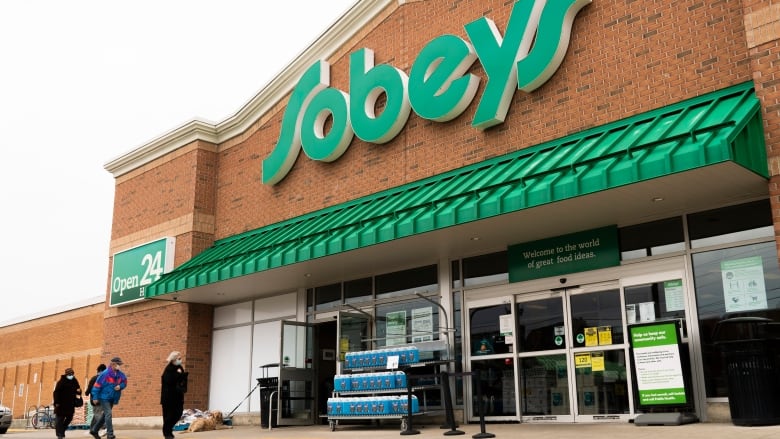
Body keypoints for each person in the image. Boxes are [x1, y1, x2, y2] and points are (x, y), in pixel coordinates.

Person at [89, 357, 127, 439]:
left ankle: (94, 430)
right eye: (118, 364)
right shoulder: (105, 374)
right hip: (104, 397)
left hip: (112, 398)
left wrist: (120, 386)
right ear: (113, 364)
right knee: (108, 413)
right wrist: (95, 397)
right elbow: (96, 386)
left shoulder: (120, 374)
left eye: (120, 364)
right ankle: (110, 434)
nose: (119, 366)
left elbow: (125, 382)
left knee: (105, 415)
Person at [160, 351, 188, 439]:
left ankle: (168, 429)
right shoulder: (168, 369)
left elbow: (182, 380)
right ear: (173, 360)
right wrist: (180, 375)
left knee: (178, 413)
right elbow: (169, 381)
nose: (180, 360)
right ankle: (167, 433)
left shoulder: (179, 368)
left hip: (178, 396)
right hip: (168, 398)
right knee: (169, 415)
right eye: (179, 358)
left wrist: (182, 376)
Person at [52, 367, 82, 439]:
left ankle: (62, 431)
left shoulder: (74, 381)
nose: (71, 375)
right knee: (60, 420)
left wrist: (79, 391)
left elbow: (78, 390)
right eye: (70, 374)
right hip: (61, 404)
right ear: (66, 374)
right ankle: (60, 434)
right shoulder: (61, 382)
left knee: (69, 418)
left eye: (72, 374)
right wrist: (56, 402)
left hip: (70, 404)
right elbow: (56, 392)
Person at [85, 364, 107, 435]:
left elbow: (89, 389)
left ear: (99, 370)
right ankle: (92, 429)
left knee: (98, 414)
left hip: (96, 399)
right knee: (96, 414)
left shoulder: (94, 378)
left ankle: (105, 427)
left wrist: (86, 393)